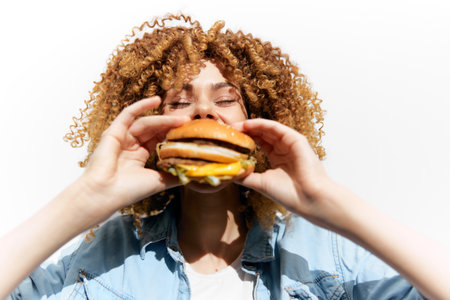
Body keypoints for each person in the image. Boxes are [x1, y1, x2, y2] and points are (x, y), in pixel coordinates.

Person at [1, 13, 449, 300]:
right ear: (154, 128)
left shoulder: (325, 255)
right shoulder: (104, 258)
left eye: (226, 98)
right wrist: (87, 198)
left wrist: (332, 203)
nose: (203, 110)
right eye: (178, 102)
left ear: (258, 119)